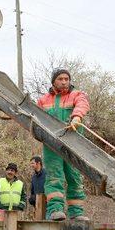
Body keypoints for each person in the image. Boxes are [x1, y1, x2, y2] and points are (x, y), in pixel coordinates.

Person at [37, 68, 90, 221]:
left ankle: (76, 212)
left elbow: (82, 105)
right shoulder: (43, 100)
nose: (64, 81)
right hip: (51, 145)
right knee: (54, 176)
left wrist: (76, 117)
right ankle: (54, 210)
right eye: (60, 79)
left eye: (67, 79)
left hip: (74, 144)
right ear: (54, 81)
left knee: (75, 176)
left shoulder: (77, 95)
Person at [29, 156, 46, 220]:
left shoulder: (47, 174)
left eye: (32, 163)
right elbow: (32, 191)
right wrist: (32, 199)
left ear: (38, 163)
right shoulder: (33, 177)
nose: (31, 165)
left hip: (47, 204)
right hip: (37, 206)